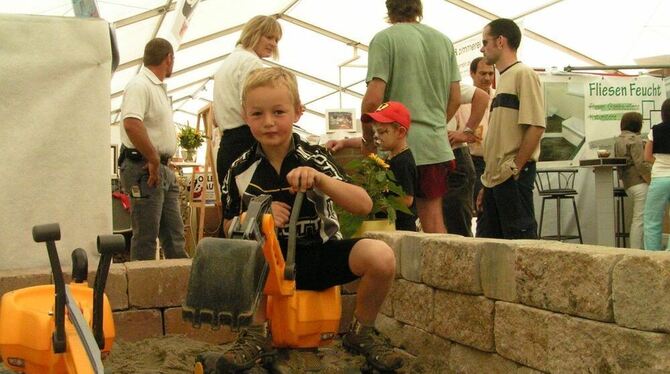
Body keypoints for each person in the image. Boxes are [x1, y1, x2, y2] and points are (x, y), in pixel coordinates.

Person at [218, 67, 403, 372]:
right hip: (268, 266)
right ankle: (255, 335)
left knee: (380, 256)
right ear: (244, 115)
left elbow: (363, 204)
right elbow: (227, 226)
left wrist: (321, 180)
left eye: (278, 112)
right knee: (243, 253)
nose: (268, 122)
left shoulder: (314, 156)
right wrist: (256, 215)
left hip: (318, 255)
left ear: (297, 112)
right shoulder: (239, 168)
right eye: (257, 114)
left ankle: (362, 333)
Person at [362, 0, 461, 233]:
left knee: (388, 223)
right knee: (434, 223)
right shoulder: (443, 41)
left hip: (397, 149)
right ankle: (439, 271)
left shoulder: (385, 39)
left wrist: (369, 143)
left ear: (389, 10)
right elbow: (455, 98)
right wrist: (434, 126)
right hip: (435, 147)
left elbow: (373, 100)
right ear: (418, 8)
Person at [475, 18, 546, 239]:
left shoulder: (523, 74)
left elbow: (536, 125)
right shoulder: (504, 79)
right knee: (488, 243)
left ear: (501, 41)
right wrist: (488, 181)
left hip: (512, 176)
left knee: (520, 245)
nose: (482, 47)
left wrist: (515, 167)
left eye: (485, 42)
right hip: (495, 178)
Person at [118, 38, 187, 261]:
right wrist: (154, 158)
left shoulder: (154, 87)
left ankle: (178, 288)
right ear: (168, 58)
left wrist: (162, 158)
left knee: (175, 235)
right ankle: (142, 293)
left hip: (158, 167)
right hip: (144, 167)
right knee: (147, 238)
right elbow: (131, 123)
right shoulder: (140, 85)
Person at [213, 15, 282, 187]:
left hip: (227, 145)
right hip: (247, 143)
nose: (274, 44)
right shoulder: (252, 63)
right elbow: (254, 108)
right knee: (256, 209)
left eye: (276, 40)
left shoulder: (226, 64)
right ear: (254, 34)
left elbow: (215, 117)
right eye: (269, 37)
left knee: (232, 209)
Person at [442, 84, 489, 236]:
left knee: (457, 226)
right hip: (440, 158)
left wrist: (467, 132)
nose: (487, 78)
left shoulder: (446, 82)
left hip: (457, 158)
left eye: (490, 73)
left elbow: (481, 97)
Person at [363, 101, 418, 231]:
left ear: (400, 132)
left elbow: (407, 199)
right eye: (375, 132)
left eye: (382, 132)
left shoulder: (403, 161)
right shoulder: (391, 157)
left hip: (400, 228)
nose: (377, 137)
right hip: (387, 225)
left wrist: (376, 205)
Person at [462, 57, 496, 213]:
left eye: (490, 73)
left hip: (496, 162)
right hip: (474, 161)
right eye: (483, 73)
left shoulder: (499, 97)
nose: (487, 78)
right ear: (472, 74)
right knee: (477, 208)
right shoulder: (462, 101)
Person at [614, 112, 651, 249]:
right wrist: (651, 181)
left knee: (637, 219)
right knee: (640, 220)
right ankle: (637, 252)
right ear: (637, 124)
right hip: (640, 183)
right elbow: (641, 164)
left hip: (628, 184)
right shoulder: (635, 139)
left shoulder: (618, 140)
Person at [643, 99, 670, 250]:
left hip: (659, 177)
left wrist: (659, 163)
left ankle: (652, 254)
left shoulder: (655, 130)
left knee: (652, 219)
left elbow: (647, 156)